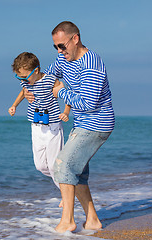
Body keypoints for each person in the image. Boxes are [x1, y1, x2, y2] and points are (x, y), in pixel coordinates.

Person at [24, 21, 115, 233]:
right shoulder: (63, 59)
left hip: (97, 123)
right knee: (78, 174)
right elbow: (46, 76)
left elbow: (88, 103)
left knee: (63, 166)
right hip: (82, 123)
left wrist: (60, 92)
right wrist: (31, 90)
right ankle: (92, 220)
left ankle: (67, 221)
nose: (59, 51)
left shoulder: (91, 64)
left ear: (76, 39)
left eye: (62, 46)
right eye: (55, 46)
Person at [8, 52, 71, 189]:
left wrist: (66, 112)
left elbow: (66, 94)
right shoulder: (25, 81)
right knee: (41, 166)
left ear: (36, 71)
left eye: (25, 77)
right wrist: (14, 105)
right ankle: (67, 183)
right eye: (20, 78)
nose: (23, 80)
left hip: (53, 127)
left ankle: (66, 193)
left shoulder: (50, 80)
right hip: (36, 127)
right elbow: (24, 90)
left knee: (55, 167)